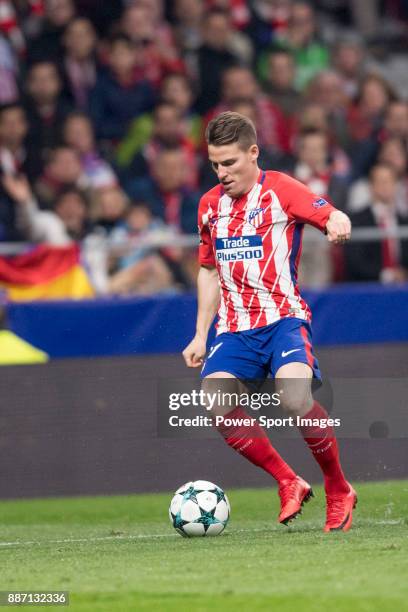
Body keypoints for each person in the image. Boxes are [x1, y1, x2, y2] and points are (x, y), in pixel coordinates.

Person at [182, 111, 357, 532]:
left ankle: (338, 488)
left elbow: (330, 214)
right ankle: (288, 480)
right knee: (215, 399)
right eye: (215, 164)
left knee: (295, 396)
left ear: (253, 152)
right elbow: (208, 270)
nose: (221, 173)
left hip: (283, 319)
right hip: (236, 326)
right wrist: (200, 333)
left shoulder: (280, 189)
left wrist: (337, 224)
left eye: (230, 163)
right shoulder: (209, 207)